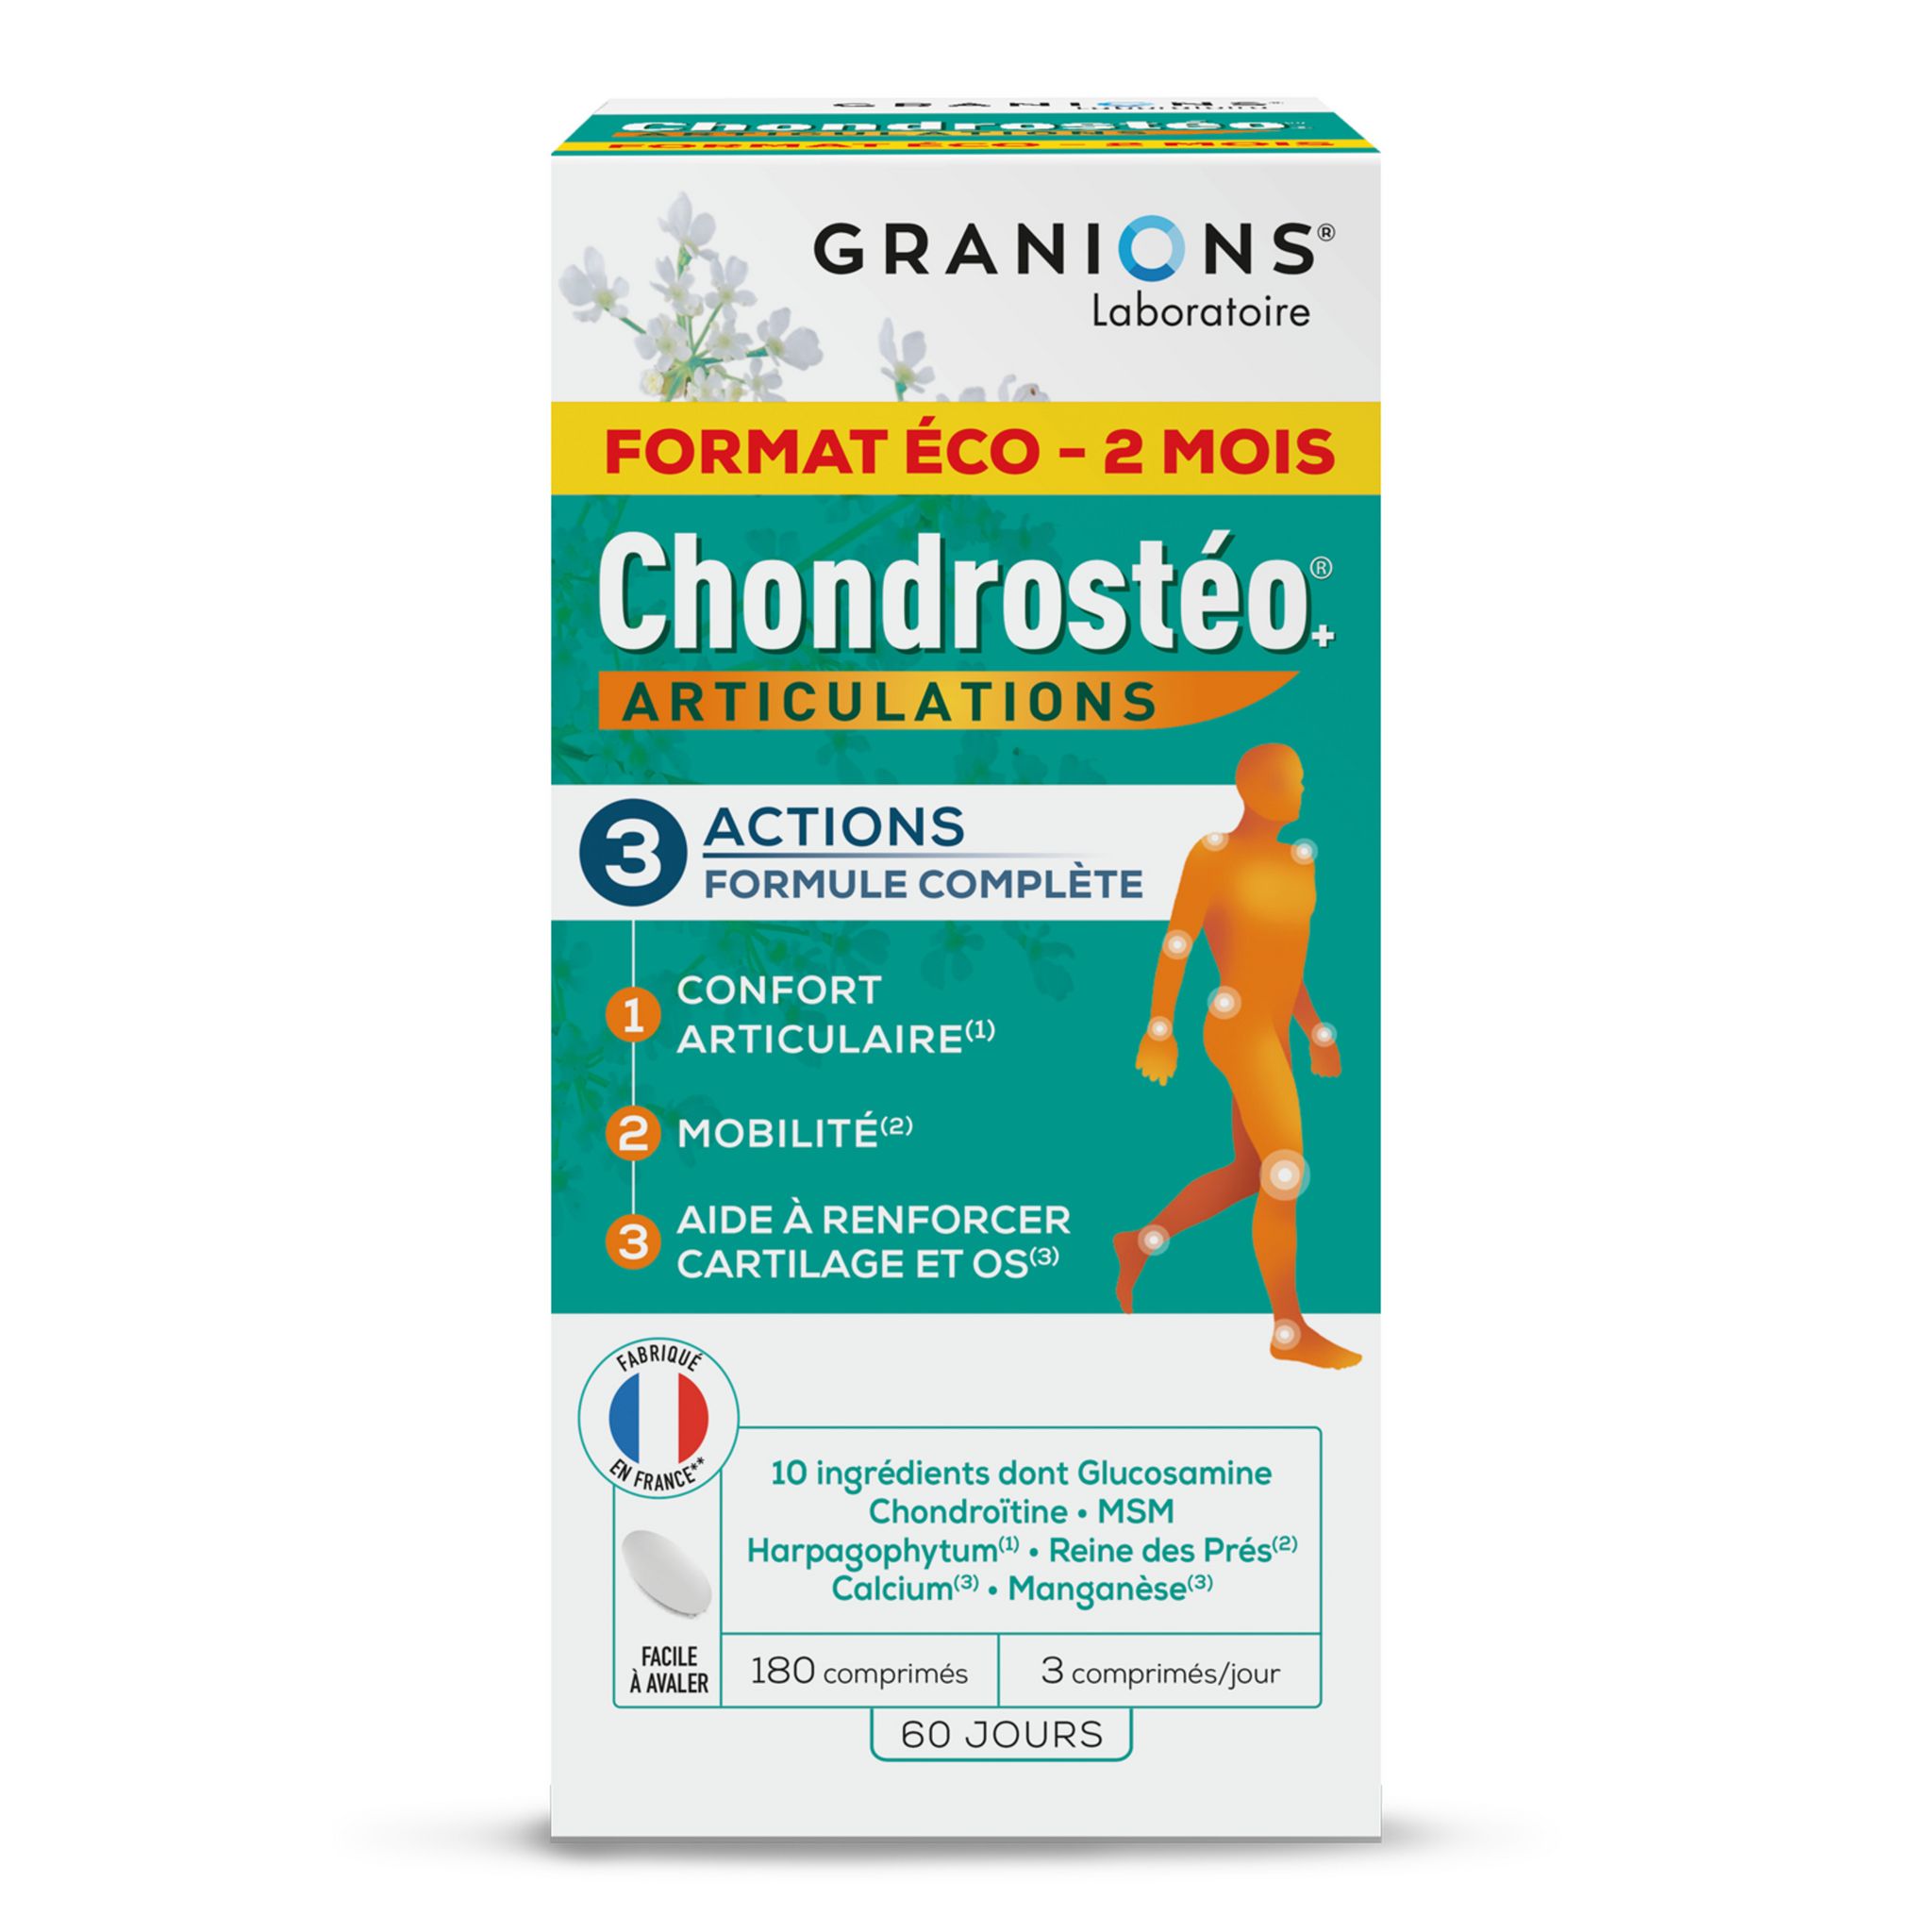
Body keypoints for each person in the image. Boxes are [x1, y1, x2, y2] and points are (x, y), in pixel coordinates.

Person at [1114, 743, 1362, 1367]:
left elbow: (1286, 965)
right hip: (1237, 1028)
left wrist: (1315, 1031)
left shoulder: (1298, 865)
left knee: (1253, 1173)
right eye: (1291, 780)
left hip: (1275, 1032)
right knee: (1286, 1168)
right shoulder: (1213, 855)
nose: (1301, 790)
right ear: (1252, 788)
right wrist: (1159, 1027)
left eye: (1301, 780)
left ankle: (1141, 1241)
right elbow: (1178, 941)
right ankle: (1289, 1329)